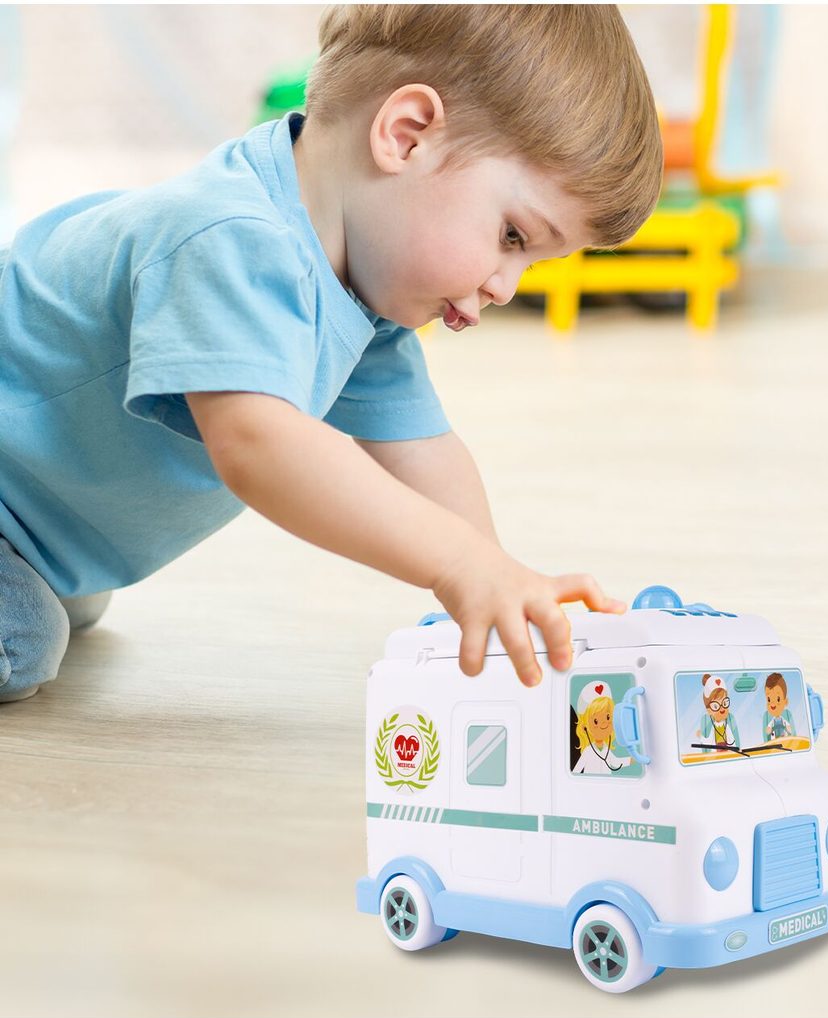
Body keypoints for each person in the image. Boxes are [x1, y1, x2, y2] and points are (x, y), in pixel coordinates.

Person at [0, 5, 663, 702]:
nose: (505, 287)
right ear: (406, 136)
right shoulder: (230, 236)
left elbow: (422, 446)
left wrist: (494, 580)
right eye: (513, 238)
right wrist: (455, 562)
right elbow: (259, 444)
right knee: (27, 637)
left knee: (73, 602)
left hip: (41, 526)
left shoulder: (361, 292)